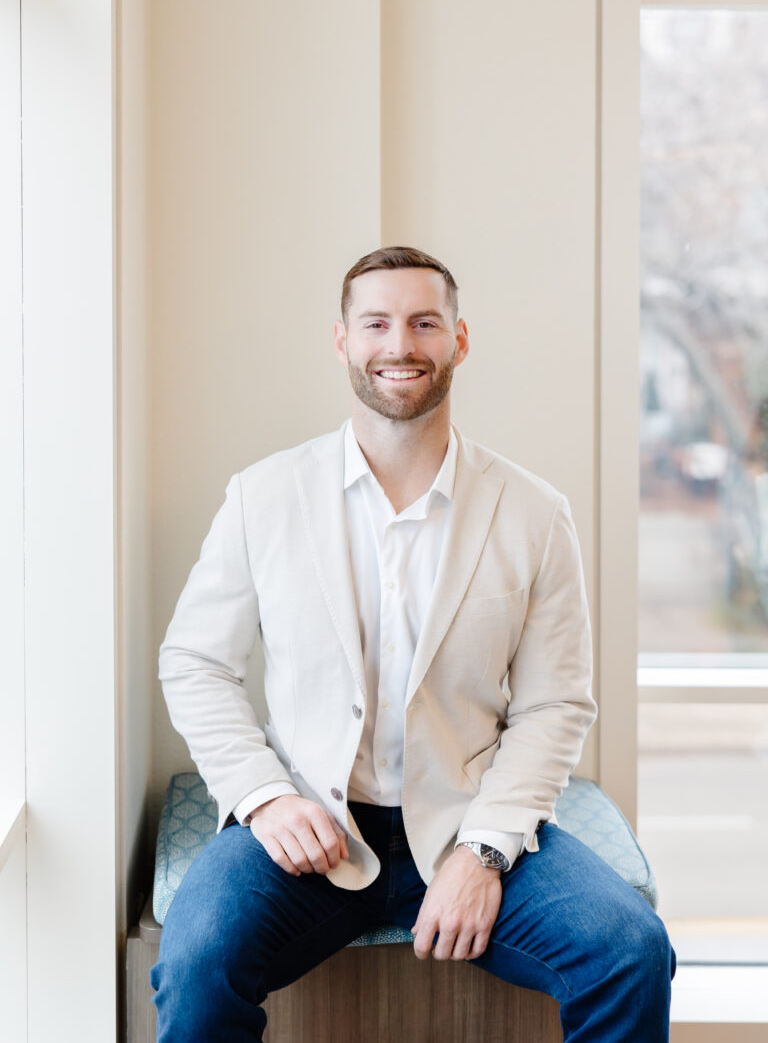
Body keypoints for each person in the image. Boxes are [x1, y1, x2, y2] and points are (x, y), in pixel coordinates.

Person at [151, 246, 675, 1041]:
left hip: (475, 820)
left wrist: (487, 851)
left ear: (459, 340)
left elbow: (555, 703)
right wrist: (265, 796)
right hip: (312, 830)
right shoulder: (263, 496)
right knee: (195, 960)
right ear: (343, 341)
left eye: (424, 323)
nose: (400, 345)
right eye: (378, 324)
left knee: (632, 951)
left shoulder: (534, 511)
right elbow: (194, 661)